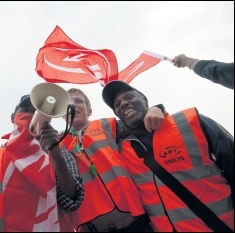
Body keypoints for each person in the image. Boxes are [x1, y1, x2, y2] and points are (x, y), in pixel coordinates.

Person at [102, 80, 234, 232]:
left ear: (145, 101)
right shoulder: (122, 152)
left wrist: (158, 108)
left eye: (129, 97)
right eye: (117, 105)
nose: (123, 104)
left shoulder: (191, 122)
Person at [41, 87, 166, 232]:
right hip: (93, 228)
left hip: (137, 223)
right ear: (62, 114)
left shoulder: (108, 125)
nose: (73, 105)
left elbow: (140, 122)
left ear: (89, 111)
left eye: (78, 101)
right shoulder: (56, 144)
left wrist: (157, 108)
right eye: (68, 103)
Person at [0, 94, 84, 232]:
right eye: (25, 110)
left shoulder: (60, 150)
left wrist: (56, 156)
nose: (32, 116)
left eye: (38, 112)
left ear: (48, 119)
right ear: (13, 117)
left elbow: (72, 201)